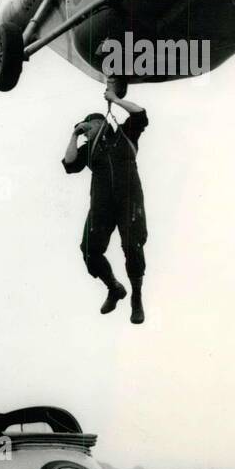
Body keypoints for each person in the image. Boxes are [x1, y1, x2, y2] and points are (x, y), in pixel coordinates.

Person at [62, 83, 149, 323]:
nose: (86, 133)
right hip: (102, 206)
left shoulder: (125, 134)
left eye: (89, 128)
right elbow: (69, 164)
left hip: (128, 200)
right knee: (89, 250)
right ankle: (114, 287)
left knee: (133, 246)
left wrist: (114, 99)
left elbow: (140, 113)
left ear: (101, 123)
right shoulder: (89, 149)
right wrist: (75, 135)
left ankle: (136, 297)